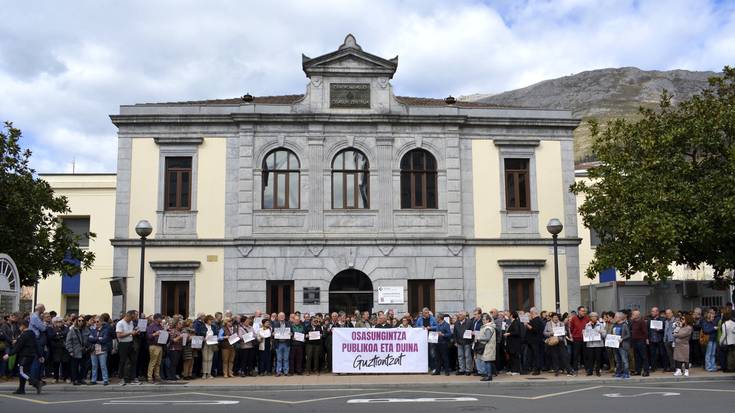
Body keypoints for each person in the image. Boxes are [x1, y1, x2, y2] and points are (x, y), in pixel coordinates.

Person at [3, 320, 42, 394]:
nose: (19, 327)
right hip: (31, 355)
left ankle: (36, 383)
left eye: (20, 326)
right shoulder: (32, 333)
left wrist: (8, 354)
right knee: (25, 371)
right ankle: (21, 389)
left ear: (23, 326)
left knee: (22, 372)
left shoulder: (24, 335)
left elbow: (18, 347)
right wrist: (40, 355)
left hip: (24, 356)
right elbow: (36, 345)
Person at [88, 314, 112, 385]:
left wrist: (95, 339)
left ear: (101, 322)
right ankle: (93, 380)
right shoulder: (92, 330)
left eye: (97, 321)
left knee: (103, 365)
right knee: (94, 366)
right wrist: (98, 338)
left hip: (102, 350)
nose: (96, 323)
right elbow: (90, 339)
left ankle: (105, 380)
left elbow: (104, 340)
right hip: (93, 350)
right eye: (95, 322)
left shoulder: (105, 330)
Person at [65, 316, 88, 385]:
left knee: (83, 366)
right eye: (79, 320)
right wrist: (70, 350)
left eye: (82, 320)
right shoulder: (72, 330)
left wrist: (88, 347)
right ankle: (74, 379)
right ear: (77, 321)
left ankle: (81, 379)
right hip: (75, 351)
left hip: (84, 351)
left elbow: (89, 339)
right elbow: (68, 341)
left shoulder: (86, 330)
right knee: (74, 366)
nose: (81, 322)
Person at [47, 316, 69, 383]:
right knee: (56, 363)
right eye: (57, 322)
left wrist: (57, 335)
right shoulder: (51, 328)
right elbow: (51, 336)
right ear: (54, 322)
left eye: (60, 322)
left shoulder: (65, 328)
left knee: (65, 363)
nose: (59, 323)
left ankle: (65, 378)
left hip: (64, 348)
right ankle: (55, 378)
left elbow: (66, 334)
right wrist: (58, 335)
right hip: (55, 348)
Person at [583, 312, 606, 376]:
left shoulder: (601, 325)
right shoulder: (587, 325)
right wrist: (584, 334)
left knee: (598, 358)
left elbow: (604, 335)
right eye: (592, 316)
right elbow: (586, 334)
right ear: (590, 318)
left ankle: (598, 371)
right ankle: (590, 371)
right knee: (590, 358)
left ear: (597, 317)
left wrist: (601, 332)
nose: (594, 317)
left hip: (598, 344)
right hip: (590, 344)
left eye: (595, 316)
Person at [568, 306, 589, 373]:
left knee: (585, 354)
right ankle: (575, 369)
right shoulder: (574, 318)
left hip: (585, 339)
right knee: (576, 355)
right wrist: (572, 335)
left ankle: (587, 368)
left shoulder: (587, 318)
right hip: (576, 339)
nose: (584, 312)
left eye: (584, 311)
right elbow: (571, 328)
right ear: (578, 311)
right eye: (582, 311)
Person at [146, 313, 165, 383]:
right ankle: (149, 377)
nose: (162, 319)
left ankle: (157, 376)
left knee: (158, 363)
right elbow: (148, 336)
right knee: (153, 362)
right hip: (153, 345)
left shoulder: (160, 326)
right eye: (161, 318)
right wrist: (155, 334)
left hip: (160, 345)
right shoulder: (151, 326)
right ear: (157, 319)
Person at [630, 310, 649, 377]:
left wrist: (645, 339)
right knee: (637, 357)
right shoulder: (632, 322)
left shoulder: (642, 322)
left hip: (640, 341)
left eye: (633, 314)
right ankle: (638, 371)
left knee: (644, 357)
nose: (632, 315)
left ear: (637, 315)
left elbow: (645, 332)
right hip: (634, 341)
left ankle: (646, 371)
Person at [612, 312, 631, 379]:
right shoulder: (614, 325)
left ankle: (626, 373)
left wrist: (622, 339)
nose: (614, 318)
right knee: (617, 360)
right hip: (615, 345)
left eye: (615, 317)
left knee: (624, 360)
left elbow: (628, 335)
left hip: (623, 345)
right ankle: (618, 372)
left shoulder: (624, 325)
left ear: (620, 318)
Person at [453, 311, 473, 376]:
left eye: (460, 315)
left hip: (467, 342)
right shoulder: (456, 323)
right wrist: (455, 341)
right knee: (460, 356)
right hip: (459, 342)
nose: (459, 316)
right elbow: (455, 333)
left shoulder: (469, 322)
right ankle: (462, 370)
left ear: (464, 316)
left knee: (467, 356)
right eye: (459, 315)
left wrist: (471, 341)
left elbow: (472, 331)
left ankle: (468, 370)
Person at [648, 307, 667, 372]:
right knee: (652, 354)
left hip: (660, 339)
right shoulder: (650, 320)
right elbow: (648, 330)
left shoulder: (663, 319)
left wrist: (660, 330)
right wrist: (647, 338)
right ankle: (653, 368)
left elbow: (666, 330)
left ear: (657, 312)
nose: (652, 313)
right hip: (652, 339)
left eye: (653, 311)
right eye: (652, 311)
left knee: (662, 354)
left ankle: (665, 367)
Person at [272, 312, 291, 377]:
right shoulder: (275, 324)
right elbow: (272, 334)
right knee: (279, 359)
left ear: (285, 317)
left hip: (286, 343)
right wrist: (273, 334)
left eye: (283, 316)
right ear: (278, 317)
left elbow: (292, 332)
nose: (282, 317)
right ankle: (278, 372)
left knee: (286, 358)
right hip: (278, 343)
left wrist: (291, 334)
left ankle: (286, 372)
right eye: (280, 316)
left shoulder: (288, 324)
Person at [201, 315, 218, 379]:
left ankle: (209, 373)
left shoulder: (213, 327)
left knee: (210, 359)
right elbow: (200, 334)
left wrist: (214, 337)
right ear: (207, 320)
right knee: (205, 359)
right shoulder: (202, 326)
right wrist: (204, 338)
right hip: (205, 343)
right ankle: (204, 373)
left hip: (212, 343)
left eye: (212, 320)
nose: (211, 321)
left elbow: (216, 333)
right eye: (210, 320)